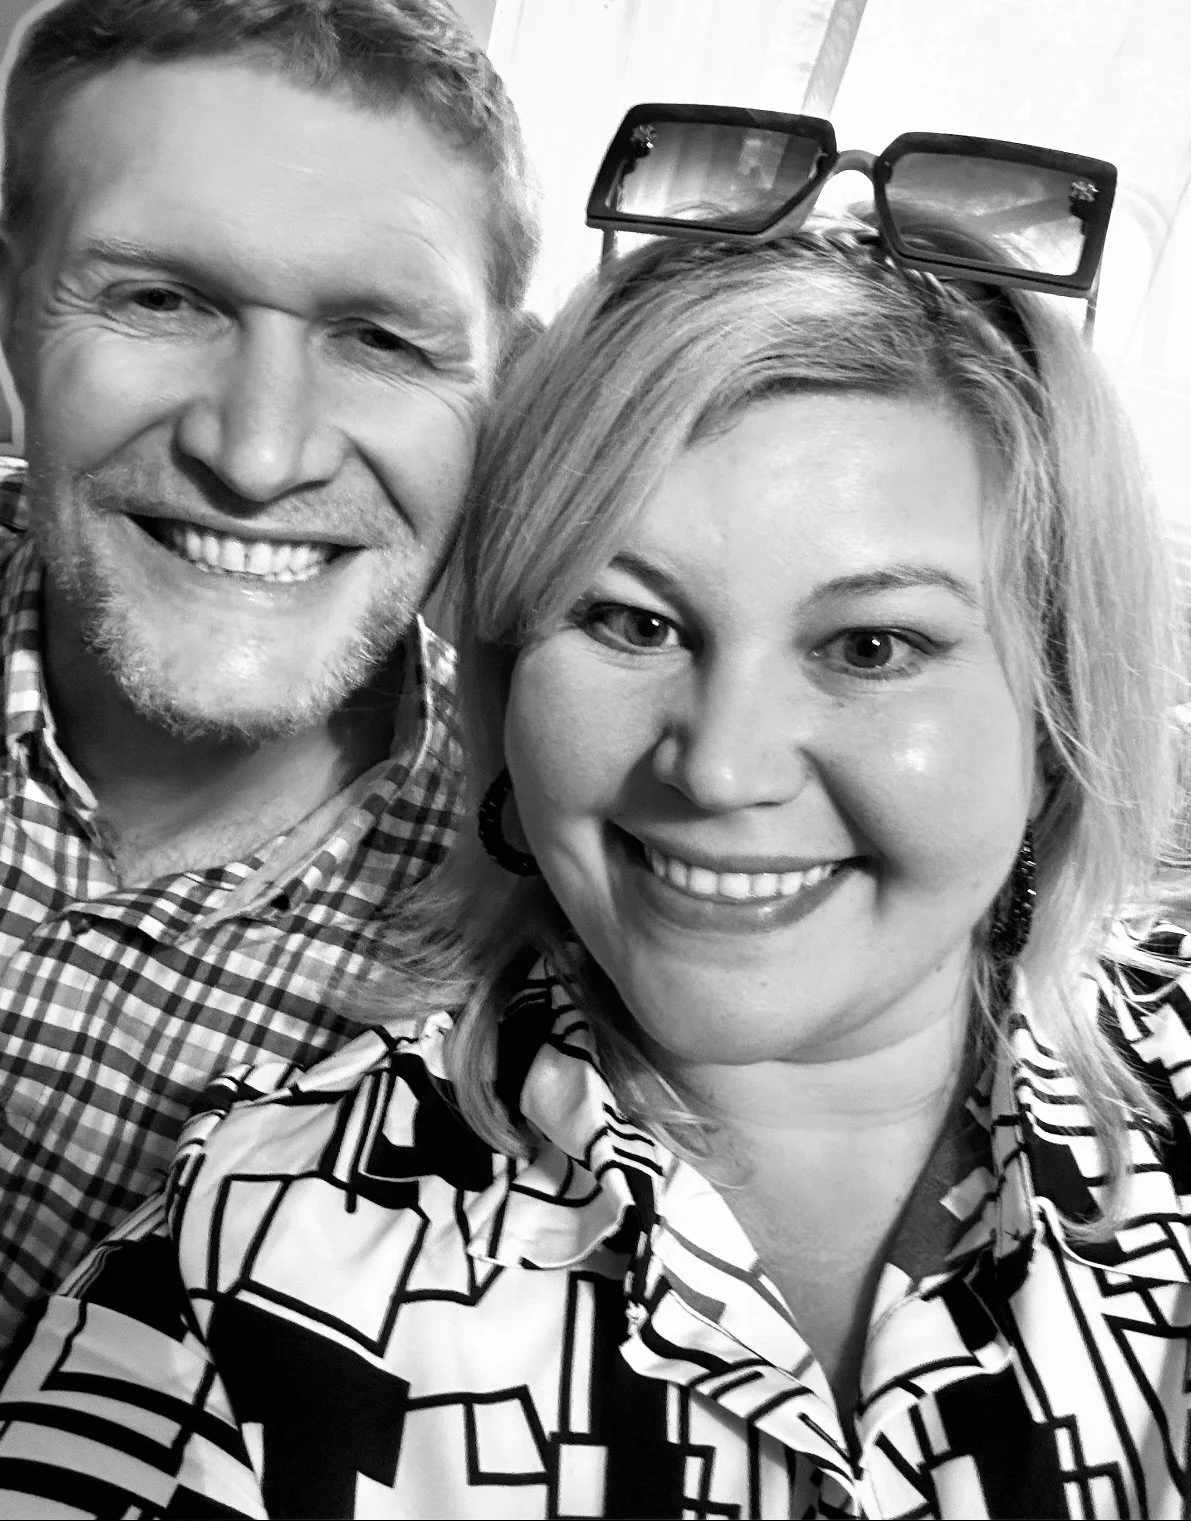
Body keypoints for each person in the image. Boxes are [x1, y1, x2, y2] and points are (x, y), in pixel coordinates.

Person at [0, 156, 1187, 1515]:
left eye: (870, 646)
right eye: (631, 621)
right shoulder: (250, 1262)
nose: (720, 767)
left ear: (1055, 717)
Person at [0, 0, 537, 1350]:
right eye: (159, 300)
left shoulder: (540, 938)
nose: (257, 455)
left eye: (381, 339)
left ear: (504, 393)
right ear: (9, 308)